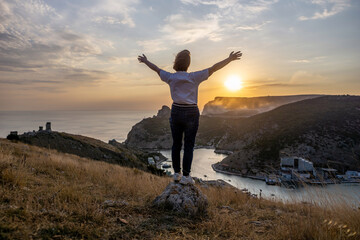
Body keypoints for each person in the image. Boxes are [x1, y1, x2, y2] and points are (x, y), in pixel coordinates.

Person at [138, 50, 242, 184]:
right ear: (188, 64)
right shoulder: (194, 77)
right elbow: (214, 68)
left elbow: (157, 69)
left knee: (176, 144)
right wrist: (229, 59)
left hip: (176, 111)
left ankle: (176, 174)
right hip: (191, 112)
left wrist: (146, 61)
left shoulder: (170, 77)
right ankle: (186, 176)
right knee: (188, 145)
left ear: (176, 63)